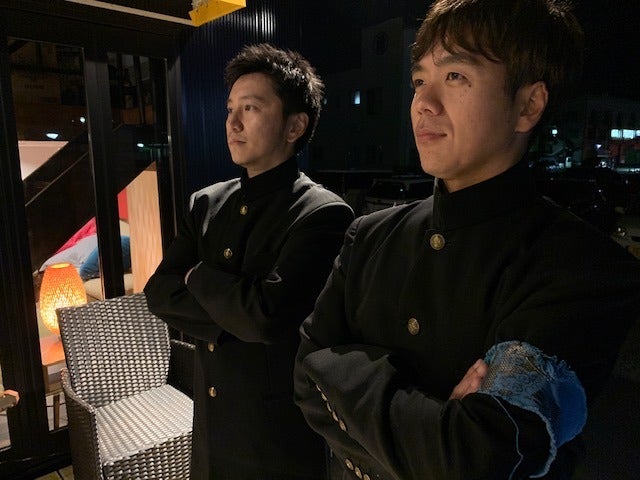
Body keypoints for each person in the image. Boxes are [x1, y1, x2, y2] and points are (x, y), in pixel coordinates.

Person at [293, 1, 640, 479]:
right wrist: (432, 432)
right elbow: (304, 377)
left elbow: (477, 458)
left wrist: (342, 374)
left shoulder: (582, 267)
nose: (424, 103)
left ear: (528, 105)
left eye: (455, 76)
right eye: (419, 81)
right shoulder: (369, 236)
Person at [145, 43, 354, 479]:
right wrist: (237, 312)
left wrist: (196, 275)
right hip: (211, 423)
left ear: (295, 125)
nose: (232, 123)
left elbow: (266, 319)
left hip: (275, 436)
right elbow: (159, 293)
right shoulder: (206, 203)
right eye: (230, 109)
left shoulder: (323, 213)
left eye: (251, 108)